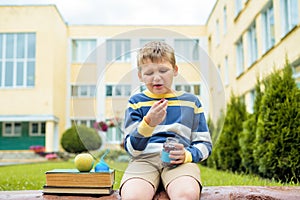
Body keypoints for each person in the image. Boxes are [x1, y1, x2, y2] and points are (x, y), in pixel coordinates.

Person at [120, 41, 212, 200]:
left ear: (175, 70)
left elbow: (205, 143)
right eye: (149, 73)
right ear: (140, 76)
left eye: (163, 70)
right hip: (144, 160)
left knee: (187, 195)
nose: (157, 78)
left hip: (179, 162)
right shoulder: (136, 102)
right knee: (133, 196)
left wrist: (187, 155)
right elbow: (131, 149)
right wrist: (148, 123)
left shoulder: (191, 102)